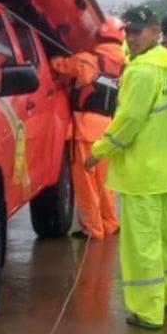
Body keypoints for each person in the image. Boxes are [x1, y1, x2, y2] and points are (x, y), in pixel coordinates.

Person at [86, 6, 167, 329]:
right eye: (128, 32)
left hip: (145, 173)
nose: (132, 37)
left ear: (155, 29)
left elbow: (128, 122)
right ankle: (162, 299)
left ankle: (147, 312)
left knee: (142, 245)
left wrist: (97, 151)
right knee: (164, 239)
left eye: (138, 31)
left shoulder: (141, 72)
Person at [50, 17, 127, 239]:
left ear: (100, 36)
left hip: (85, 130)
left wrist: (54, 55)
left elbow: (59, 65)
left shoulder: (86, 60)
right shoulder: (124, 66)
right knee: (105, 181)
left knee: (85, 182)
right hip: (109, 130)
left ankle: (93, 229)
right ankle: (110, 223)